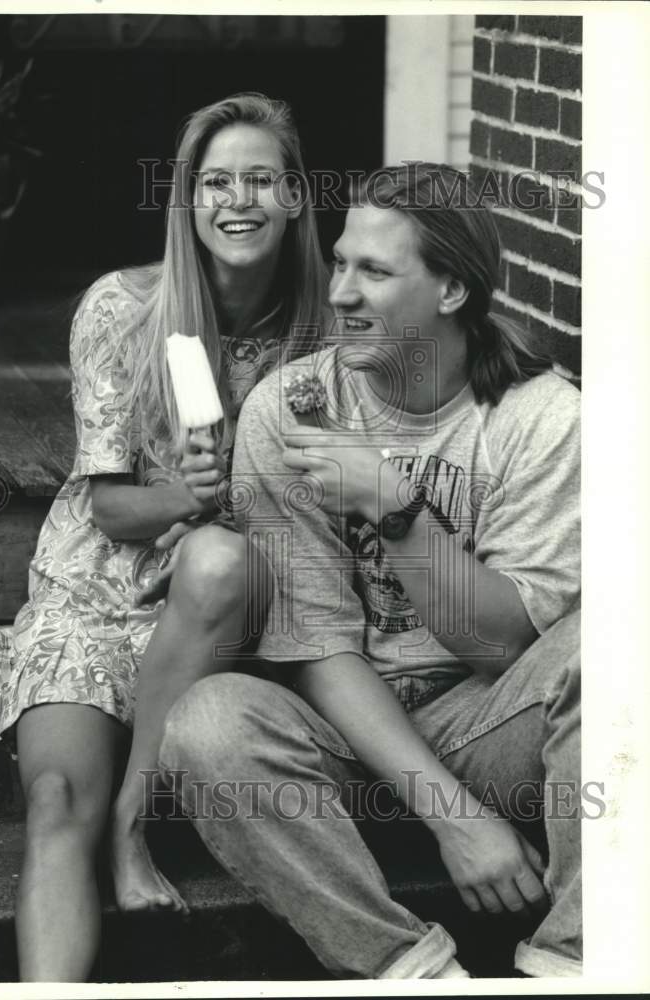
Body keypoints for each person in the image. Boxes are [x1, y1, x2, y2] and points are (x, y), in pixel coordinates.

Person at [157, 163, 582, 979]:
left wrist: (395, 510)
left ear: (452, 291)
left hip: (492, 722)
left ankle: (569, 966)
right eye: (341, 263)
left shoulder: (544, 420)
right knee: (208, 721)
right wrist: (455, 820)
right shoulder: (291, 409)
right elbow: (317, 649)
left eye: (375, 272)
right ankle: (410, 970)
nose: (341, 293)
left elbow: (501, 649)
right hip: (348, 742)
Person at [0, 92, 327, 982]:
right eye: (214, 182)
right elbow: (107, 508)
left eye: (259, 179)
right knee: (54, 800)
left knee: (216, 558)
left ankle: (132, 828)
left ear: (293, 198)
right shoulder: (122, 311)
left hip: (219, 607)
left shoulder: (322, 338)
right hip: (94, 593)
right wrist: (181, 491)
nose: (236, 200)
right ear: (187, 199)